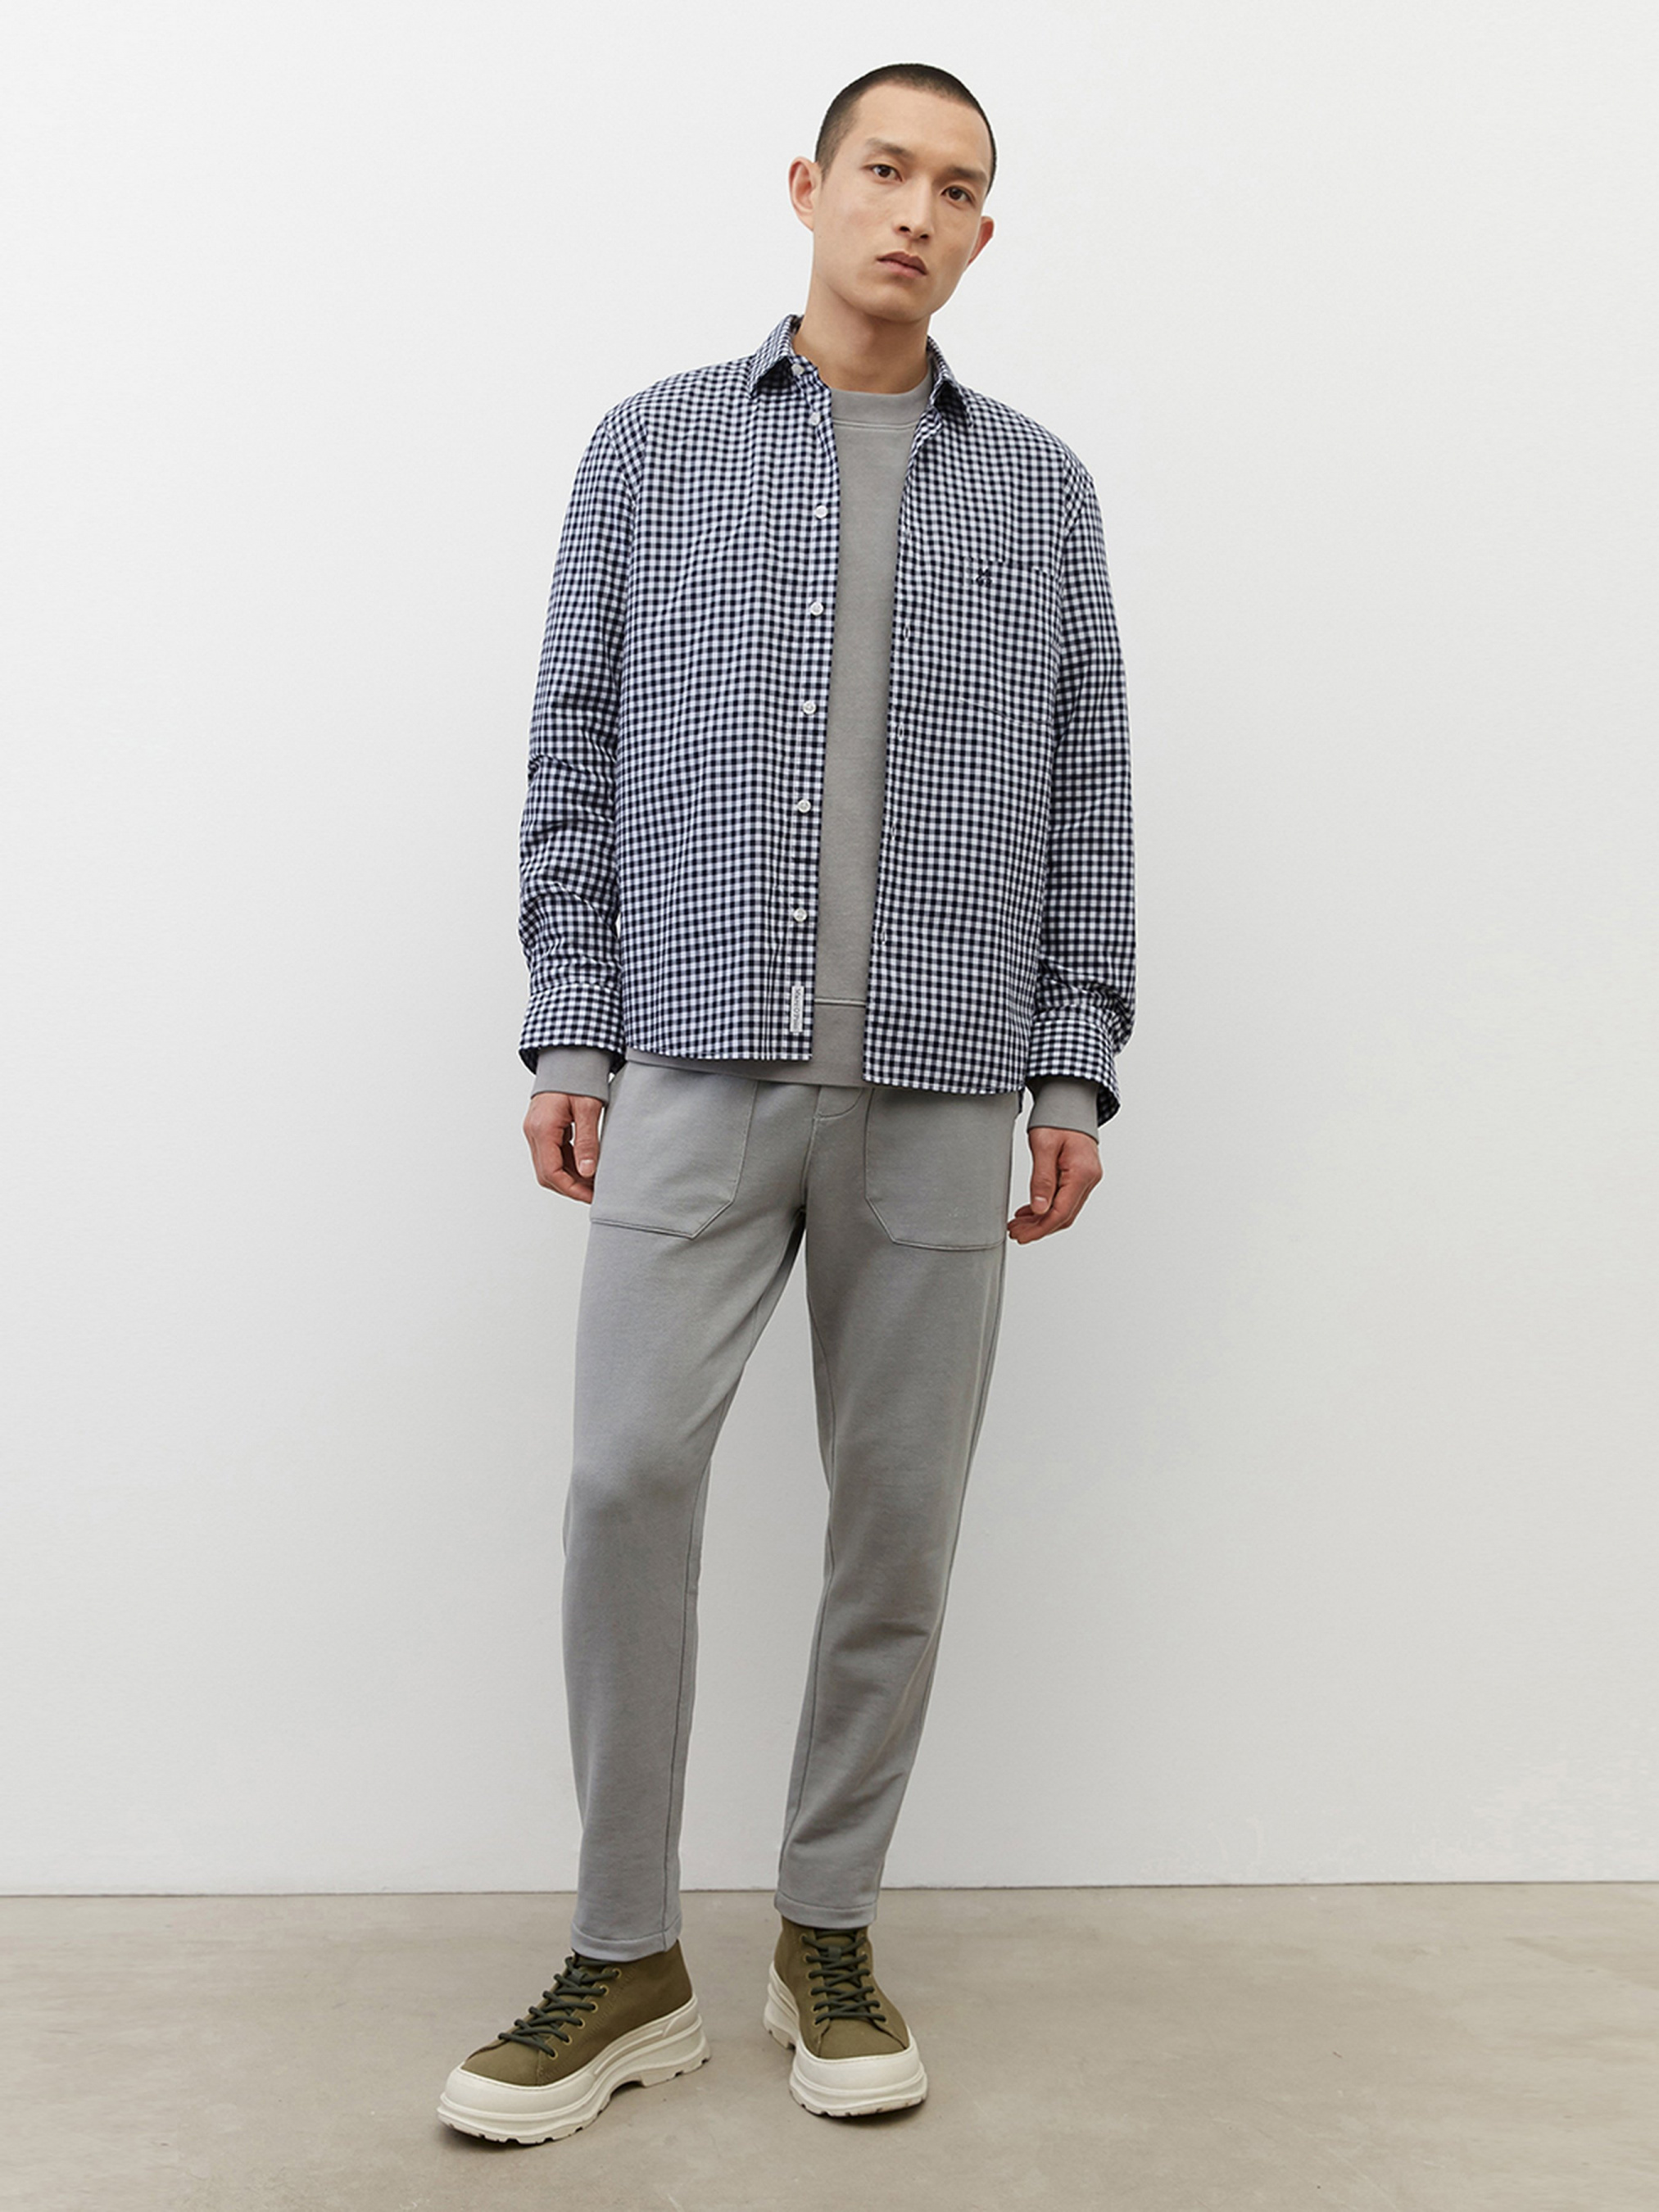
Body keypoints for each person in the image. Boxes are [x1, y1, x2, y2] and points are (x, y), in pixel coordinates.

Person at [437, 60, 1135, 2144]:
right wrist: (573, 1028)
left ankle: (825, 1927)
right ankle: (624, 1951)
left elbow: (1085, 785)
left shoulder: (1041, 492)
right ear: (811, 188)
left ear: (983, 232)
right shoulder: (652, 449)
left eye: (957, 188)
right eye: (884, 171)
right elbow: (572, 743)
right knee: (622, 1481)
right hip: (694, 1054)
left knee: (894, 1526)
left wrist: (1072, 1058)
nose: (915, 212)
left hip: (942, 1077)